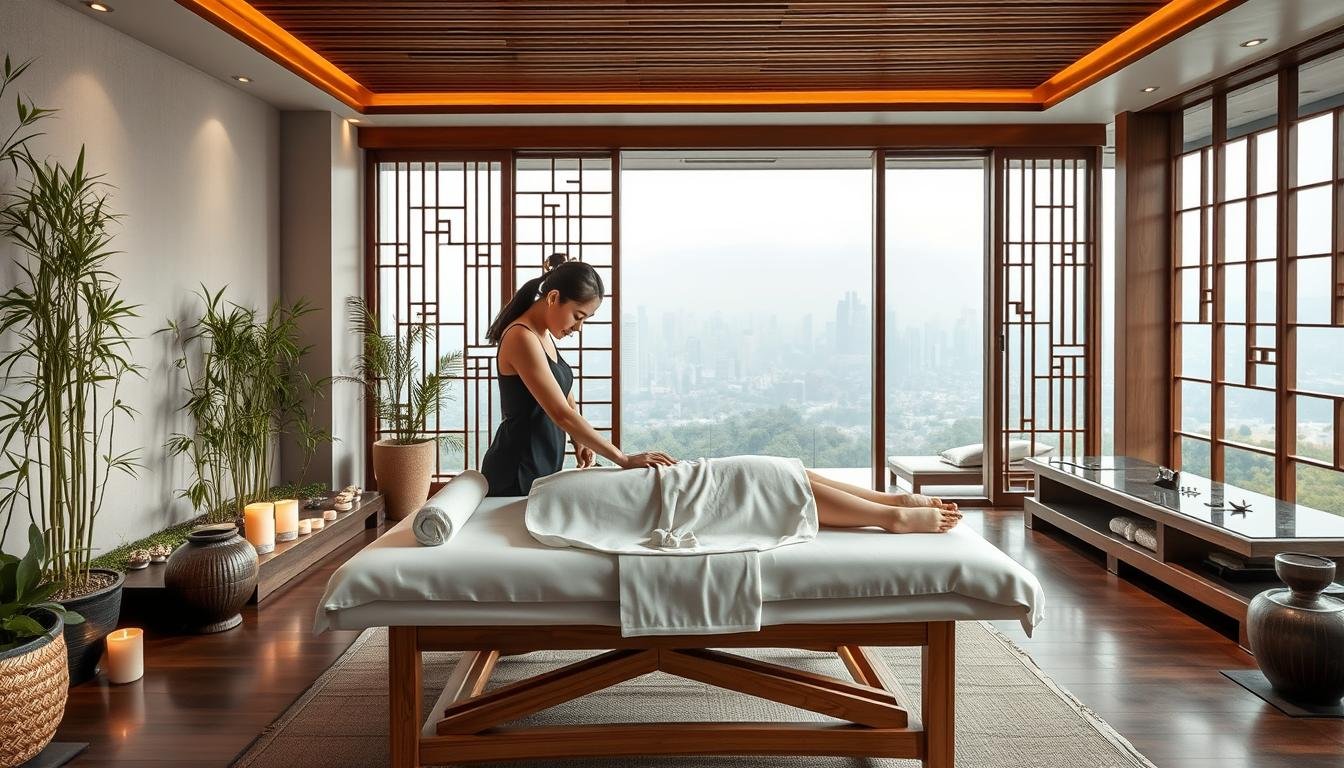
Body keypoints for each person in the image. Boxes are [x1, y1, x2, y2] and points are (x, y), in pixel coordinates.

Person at [480, 254, 961, 533]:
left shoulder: (542, 336)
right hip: (520, 475)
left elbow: (563, 401)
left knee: (775, 471)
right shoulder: (521, 336)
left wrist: (586, 442)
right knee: (760, 481)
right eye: (578, 318)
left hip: (547, 470)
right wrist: (621, 458)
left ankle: (891, 505)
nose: (578, 328)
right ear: (553, 299)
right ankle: (890, 518)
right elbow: (559, 412)